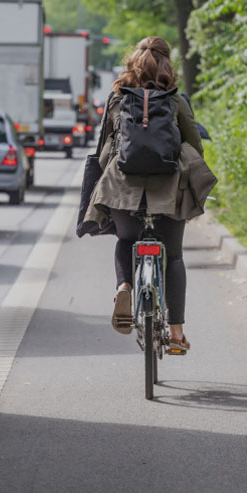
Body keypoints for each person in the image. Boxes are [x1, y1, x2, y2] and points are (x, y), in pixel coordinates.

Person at [84, 36, 207, 351]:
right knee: (174, 255)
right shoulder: (176, 100)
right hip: (168, 191)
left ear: (132, 62)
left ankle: (124, 285)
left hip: (122, 190)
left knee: (126, 240)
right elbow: (195, 146)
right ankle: (177, 333)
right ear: (167, 64)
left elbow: (103, 150)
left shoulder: (117, 100)